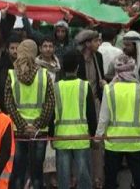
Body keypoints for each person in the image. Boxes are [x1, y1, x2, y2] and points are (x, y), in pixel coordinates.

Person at [95, 54, 140, 189]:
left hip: (114, 143)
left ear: (117, 71)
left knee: (110, 181)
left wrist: (97, 138)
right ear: (133, 70)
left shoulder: (109, 90)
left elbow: (103, 118)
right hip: (136, 143)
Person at [6, 39, 54, 189]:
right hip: (39, 132)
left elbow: (8, 103)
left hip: (19, 131)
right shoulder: (44, 75)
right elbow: (50, 102)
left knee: (18, 172)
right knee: (37, 174)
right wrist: (37, 125)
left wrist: (22, 125)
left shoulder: (12, 75)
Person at [52, 50, 98, 189]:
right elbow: (91, 113)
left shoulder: (56, 87)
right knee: (84, 176)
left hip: (61, 138)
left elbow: (51, 115)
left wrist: (50, 135)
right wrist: (94, 134)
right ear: (78, 67)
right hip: (81, 138)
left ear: (63, 67)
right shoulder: (85, 86)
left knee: (63, 178)